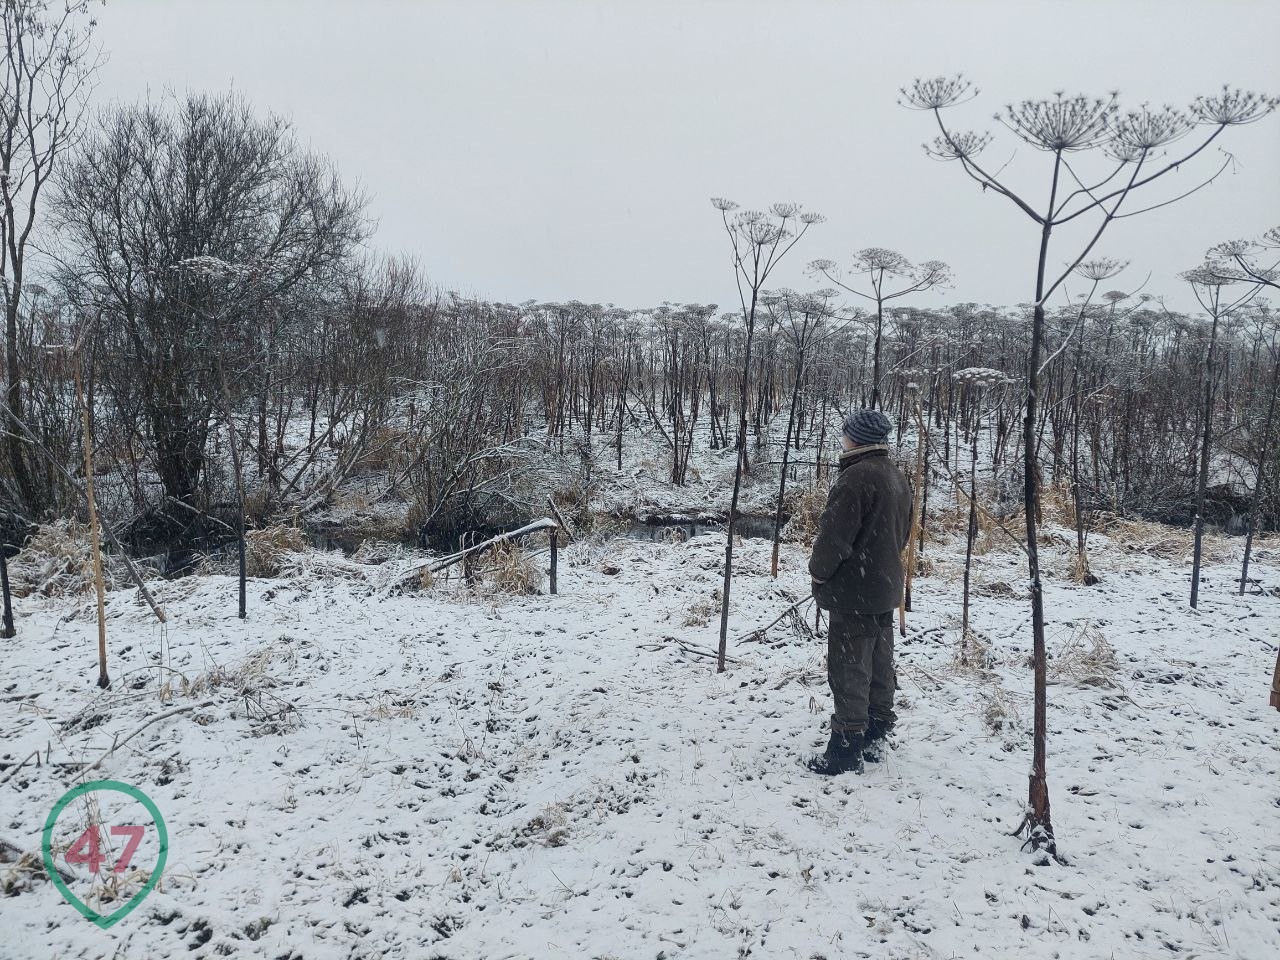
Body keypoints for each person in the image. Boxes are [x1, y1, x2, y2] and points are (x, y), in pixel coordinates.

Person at [807, 408, 912, 775]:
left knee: (849, 666)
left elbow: (834, 539)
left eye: (846, 433)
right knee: (880, 661)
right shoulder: (895, 474)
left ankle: (845, 748)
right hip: (884, 586)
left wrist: (818, 573)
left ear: (856, 439)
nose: (843, 438)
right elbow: (903, 532)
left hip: (855, 591)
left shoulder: (855, 478)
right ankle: (875, 733)